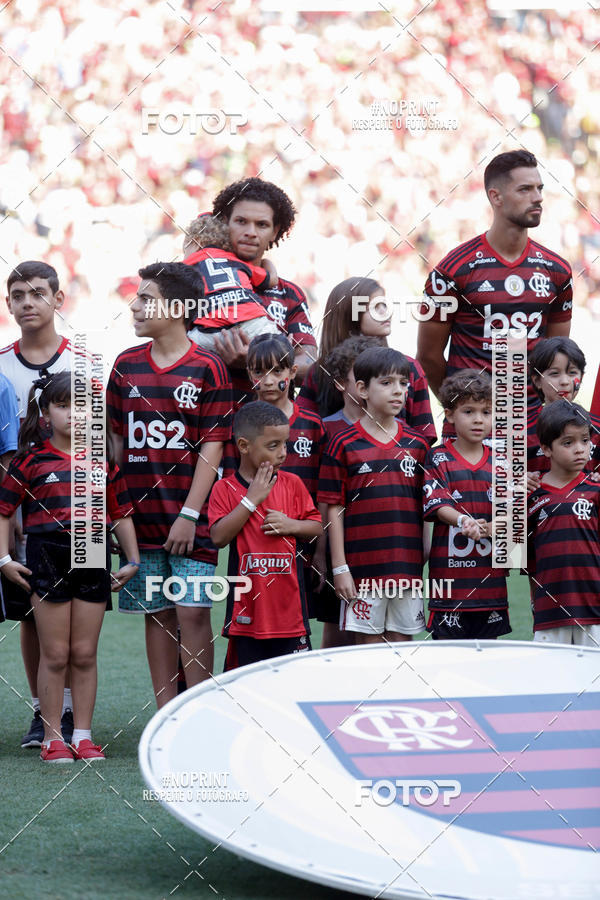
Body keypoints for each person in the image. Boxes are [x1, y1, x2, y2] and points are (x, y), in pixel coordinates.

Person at [106, 262, 233, 707]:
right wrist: (118, 517)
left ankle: (198, 710)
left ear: (178, 307)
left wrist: (189, 514)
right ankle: (166, 716)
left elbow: (212, 449)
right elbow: (116, 448)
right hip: (140, 523)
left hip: (189, 520)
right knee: (157, 616)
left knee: (193, 611)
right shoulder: (125, 365)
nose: (135, 305)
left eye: (146, 297)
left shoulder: (208, 367)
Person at [0, 373, 140, 762]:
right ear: (45, 413)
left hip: (94, 549)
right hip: (47, 554)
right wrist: (5, 560)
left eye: (82, 406)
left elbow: (121, 514)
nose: (73, 414)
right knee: (56, 653)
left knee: (84, 652)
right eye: (63, 405)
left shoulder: (103, 463)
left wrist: (132, 560)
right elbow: (3, 510)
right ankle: (51, 738)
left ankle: (82, 735)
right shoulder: (31, 460)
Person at [416, 150, 573, 407]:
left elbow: (558, 356)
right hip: (472, 436)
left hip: (534, 430)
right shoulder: (453, 269)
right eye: (525, 189)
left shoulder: (557, 270)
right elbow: (428, 357)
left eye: (539, 188)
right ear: (496, 196)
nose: (538, 198)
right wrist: (463, 407)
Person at [0, 260, 82, 749]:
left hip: (79, 512)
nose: (27, 302)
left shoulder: (86, 362)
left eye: (37, 293)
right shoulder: (0, 365)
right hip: (24, 514)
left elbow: (101, 441)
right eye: (17, 295)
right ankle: (44, 710)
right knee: (35, 613)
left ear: (58, 299)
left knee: (81, 614)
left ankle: (74, 712)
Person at [318, 347, 429, 643]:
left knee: (403, 648)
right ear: (363, 389)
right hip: (361, 571)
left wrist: (425, 552)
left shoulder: (418, 444)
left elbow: (429, 505)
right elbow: (333, 509)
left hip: (407, 568)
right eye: (387, 383)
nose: (398, 391)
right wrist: (340, 568)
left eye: (404, 384)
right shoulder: (342, 443)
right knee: (369, 653)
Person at [208, 401, 323, 670]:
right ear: (244, 446)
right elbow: (218, 537)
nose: (283, 453)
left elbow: (316, 527)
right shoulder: (224, 489)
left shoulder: (292, 484)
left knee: (293, 685)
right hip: (247, 615)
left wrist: (291, 525)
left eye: (285, 444)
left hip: (290, 615)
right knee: (245, 689)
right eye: (273, 446)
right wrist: (250, 500)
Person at [422, 371, 510, 640]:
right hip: (449, 589)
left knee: (487, 663)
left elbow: (514, 514)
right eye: (469, 411)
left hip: (490, 588)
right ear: (449, 415)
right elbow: (438, 505)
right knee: (447, 663)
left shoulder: (503, 461)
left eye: (486, 412)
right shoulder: (438, 457)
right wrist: (464, 522)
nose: (478, 419)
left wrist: (492, 528)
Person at [208, 177, 317, 391]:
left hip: (274, 422)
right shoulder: (195, 284)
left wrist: (258, 362)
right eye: (241, 221)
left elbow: (311, 366)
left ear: (275, 231)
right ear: (224, 223)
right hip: (207, 418)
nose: (251, 232)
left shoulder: (289, 294)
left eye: (262, 225)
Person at [298, 277, 436, 444]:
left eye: (384, 305)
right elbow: (303, 434)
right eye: (375, 307)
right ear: (348, 314)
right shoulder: (320, 371)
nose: (386, 312)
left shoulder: (410, 367)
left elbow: (424, 437)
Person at [527, 400, 600, 646]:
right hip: (549, 611)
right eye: (568, 443)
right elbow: (521, 557)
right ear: (546, 449)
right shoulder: (531, 496)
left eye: (585, 440)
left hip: (595, 611)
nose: (580, 449)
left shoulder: (596, 490)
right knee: (550, 682)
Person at [183, 212, 280, 351]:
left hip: (210, 334)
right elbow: (272, 280)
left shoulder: (185, 266)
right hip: (251, 325)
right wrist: (267, 262)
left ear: (194, 240)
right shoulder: (236, 260)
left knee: (183, 350)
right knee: (279, 350)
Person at [526, 337, 600, 485]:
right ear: (537, 380)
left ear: (582, 376)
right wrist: (516, 481)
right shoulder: (520, 433)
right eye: (554, 374)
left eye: (572, 373)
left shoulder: (597, 430)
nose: (565, 381)